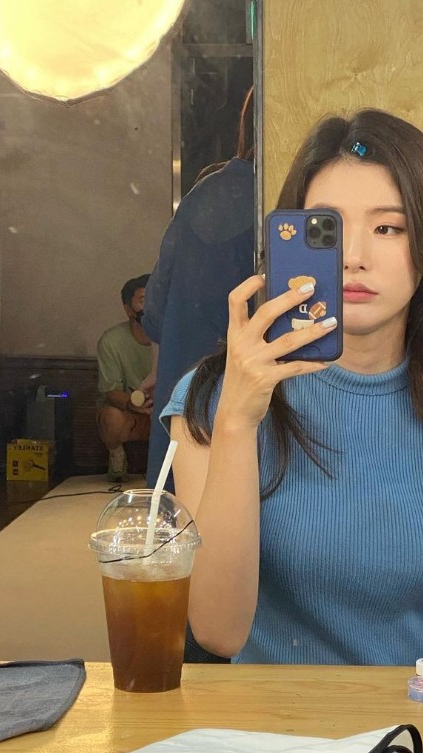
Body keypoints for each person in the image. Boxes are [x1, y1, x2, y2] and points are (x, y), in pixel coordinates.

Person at [161, 109, 423, 666]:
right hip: (261, 721)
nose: (355, 258)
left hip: (412, 718)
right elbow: (219, 631)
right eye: (327, 230)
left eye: (389, 228)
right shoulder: (210, 399)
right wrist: (237, 422)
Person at [142, 86, 255, 491]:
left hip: (185, 391)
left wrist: (169, 361)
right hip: (252, 403)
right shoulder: (289, 199)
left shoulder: (200, 195)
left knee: (183, 519)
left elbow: (154, 311)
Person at [96, 274, 153, 482]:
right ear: (128, 309)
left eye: (156, 298)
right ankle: (117, 456)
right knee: (112, 418)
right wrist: (135, 404)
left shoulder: (173, 336)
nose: (151, 306)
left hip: (167, 410)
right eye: (144, 300)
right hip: (133, 412)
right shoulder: (112, 341)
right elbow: (111, 391)